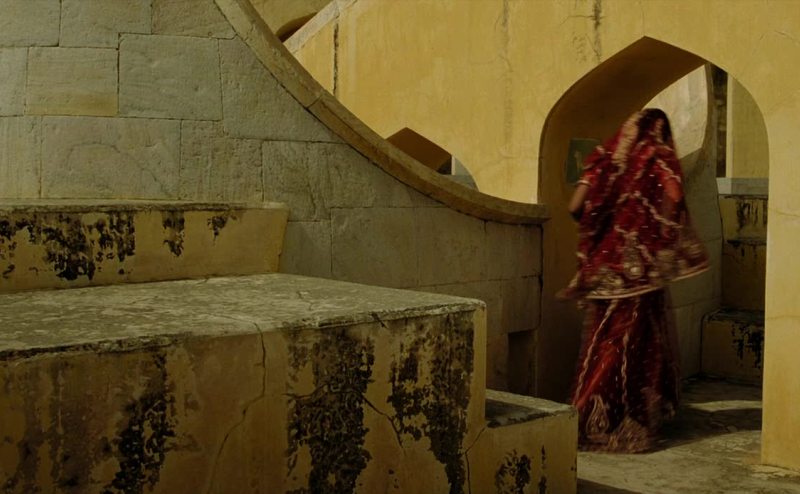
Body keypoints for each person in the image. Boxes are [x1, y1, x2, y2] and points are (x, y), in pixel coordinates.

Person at [559, 108, 709, 453]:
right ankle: (612, 421)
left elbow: (574, 206)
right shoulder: (658, 158)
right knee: (634, 348)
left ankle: (588, 416)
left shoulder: (604, 159)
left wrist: (606, 225)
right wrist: (657, 230)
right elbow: (673, 196)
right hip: (640, 274)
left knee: (602, 344)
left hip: (604, 270)